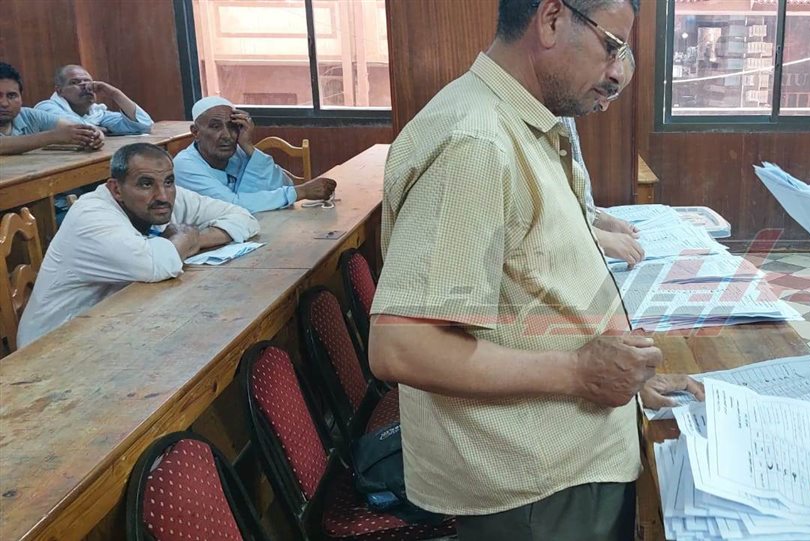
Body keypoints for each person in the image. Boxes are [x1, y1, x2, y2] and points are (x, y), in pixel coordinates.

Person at [367, 1, 701, 539]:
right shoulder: (475, 142)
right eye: (611, 46)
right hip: (536, 487)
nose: (617, 71)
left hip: (567, 458)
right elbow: (403, 346)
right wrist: (579, 373)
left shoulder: (525, 122)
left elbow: (537, 287)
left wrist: (624, 374)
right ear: (550, 20)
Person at [18, 143, 260, 347]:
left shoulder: (164, 197)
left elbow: (244, 218)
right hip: (52, 347)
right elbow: (156, 265)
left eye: (169, 181)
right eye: (145, 184)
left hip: (112, 327)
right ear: (116, 189)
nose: (162, 195)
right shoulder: (91, 215)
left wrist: (195, 238)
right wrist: (185, 239)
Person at [173, 96, 337, 213]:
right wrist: (301, 192)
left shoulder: (236, 152)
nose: (227, 136)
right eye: (215, 127)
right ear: (196, 132)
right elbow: (233, 206)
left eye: (232, 127)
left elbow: (282, 184)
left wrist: (248, 146)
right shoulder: (184, 165)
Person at [560, 50, 644, 268]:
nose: (605, 106)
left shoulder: (563, 111)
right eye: (609, 89)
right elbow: (537, 221)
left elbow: (564, 199)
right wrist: (598, 238)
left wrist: (597, 218)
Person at [0, 61, 103, 155]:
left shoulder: (29, 116)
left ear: (21, 97)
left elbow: (75, 129)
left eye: (11, 96)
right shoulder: (45, 107)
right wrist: (54, 136)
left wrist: (94, 136)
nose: (4, 103)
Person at [34, 64, 154, 135]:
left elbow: (144, 126)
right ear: (60, 90)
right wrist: (101, 129)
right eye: (75, 82)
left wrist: (115, 94)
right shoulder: (45, 108)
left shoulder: (97, 113)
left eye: (87, 81)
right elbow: (77, 130)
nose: (85, 86)